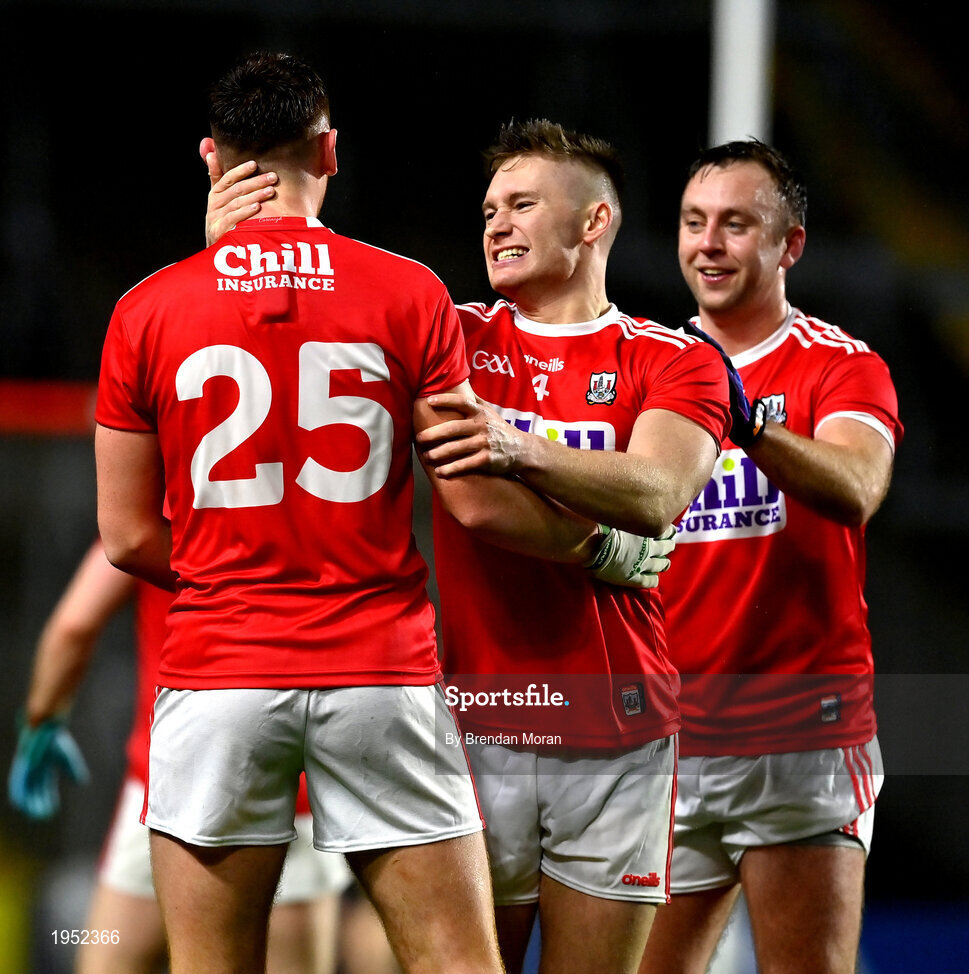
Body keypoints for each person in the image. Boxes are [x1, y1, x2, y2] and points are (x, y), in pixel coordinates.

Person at [95, 55, 656, 974]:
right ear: (329, 151)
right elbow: (472, 499)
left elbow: (125, 536)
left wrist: (243, 581)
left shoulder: (146, 308)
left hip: (220, 673)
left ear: (211, 159)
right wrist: (595, 548)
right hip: (378, 672)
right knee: (455, 963)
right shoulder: (406, 290)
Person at [206, 119, 731, 973]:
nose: (496, 225)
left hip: (621, 728)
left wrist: (515, 445)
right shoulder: (449, 332)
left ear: (594, 221)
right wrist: (228, 258)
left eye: (522, 204)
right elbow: (295, 339)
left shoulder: (676, 359)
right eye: (489, 209)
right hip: (472, 723)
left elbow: (658, 491)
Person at [640, 140, 903, 974]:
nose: (707, 244)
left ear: (789, 244)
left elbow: (856, 486)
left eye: (734, 224)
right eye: (693, 222)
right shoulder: (645, 364)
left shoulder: (840, 363)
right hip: (663, 743)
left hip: (799, 741)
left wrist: (747, 421)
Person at [9, 536, 358, 974]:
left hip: (169, 782)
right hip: (293, 780)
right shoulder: (313, 514)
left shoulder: (156, 520)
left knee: (110, 956)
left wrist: (41, 722)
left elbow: (74, 626)